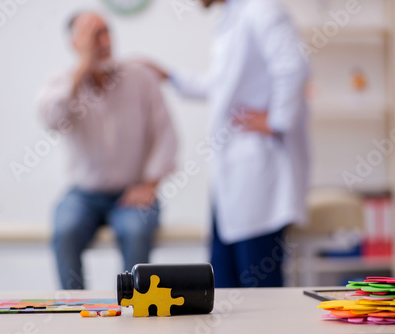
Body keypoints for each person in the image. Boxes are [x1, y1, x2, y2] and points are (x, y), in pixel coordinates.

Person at [142, 0, 309, 287]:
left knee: (259, 289)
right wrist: (169, 76)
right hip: (232, 179)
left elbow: (293, 66)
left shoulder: (261, 9)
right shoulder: (233, 17)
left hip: (258, 173)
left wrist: (276, 122)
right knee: (223, 286)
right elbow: (221, 86)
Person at [37, 12, 177, 289]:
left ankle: (134, 309)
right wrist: (84, 68)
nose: (102, 41)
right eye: (91, 35)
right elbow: (53, 120)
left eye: (105, 32)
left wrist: (149, 184)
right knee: (65, 231)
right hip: (83, 194)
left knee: (136, 231)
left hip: (130, 192)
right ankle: (74, 311)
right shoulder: (63, 84)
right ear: (74, 43)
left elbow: (166, 136)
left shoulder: (140, 79)